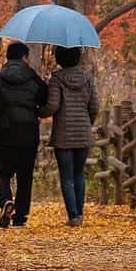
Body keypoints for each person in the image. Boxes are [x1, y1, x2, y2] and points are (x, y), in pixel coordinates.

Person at [0, 42, 48, 228]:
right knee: (25, 176)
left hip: (4, 133)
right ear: (24, 58)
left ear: (8, 58)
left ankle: (6, 201)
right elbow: (45, 101)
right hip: (28, 133)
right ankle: (21, 216)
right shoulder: (34, 80)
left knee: (2, 173)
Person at [42, 45, 99, 227]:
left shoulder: (57, 79)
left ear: (59, 58)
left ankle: (73, 216)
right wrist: (87, 123)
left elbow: (52, 106)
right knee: (78, 174)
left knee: (66, 176)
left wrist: (38, 111)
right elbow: (94, 107)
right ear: (77, 58)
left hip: (63, 135)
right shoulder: (87, 78)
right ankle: (80, 214)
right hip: (83, 133)